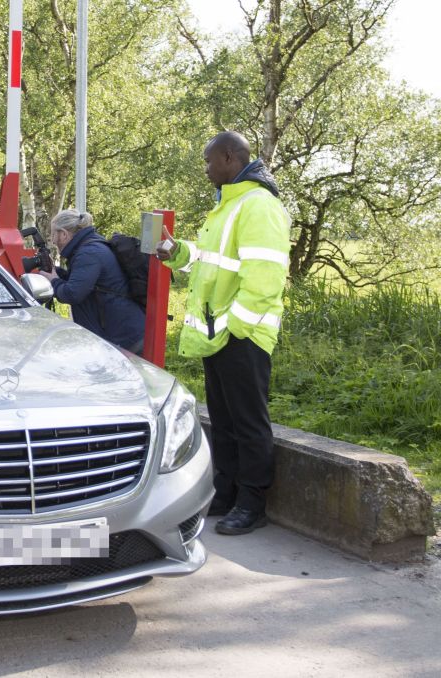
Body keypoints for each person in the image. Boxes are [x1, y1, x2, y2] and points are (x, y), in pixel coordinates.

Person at [156, 130, 291, 536]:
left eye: (209, 160)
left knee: (249, 423)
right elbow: (208, 260)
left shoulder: (258, 205)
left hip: (241, 335)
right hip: (222, 335)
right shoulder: (227, 206)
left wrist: (239, 329)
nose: (206, 168)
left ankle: (252, 503)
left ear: (230, 158)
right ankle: (227, 492)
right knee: (226, 420)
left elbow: (265, 277)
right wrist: (176, 252)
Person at [39, 209, 145, 353]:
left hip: (122, 337)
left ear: (63, 234)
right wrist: (56, 272)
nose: (53, 240)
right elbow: (87, 284)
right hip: (118, 332)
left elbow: (72, 293)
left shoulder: (88, 253)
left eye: (53, 234)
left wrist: (54, 281)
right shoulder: (90, 247)